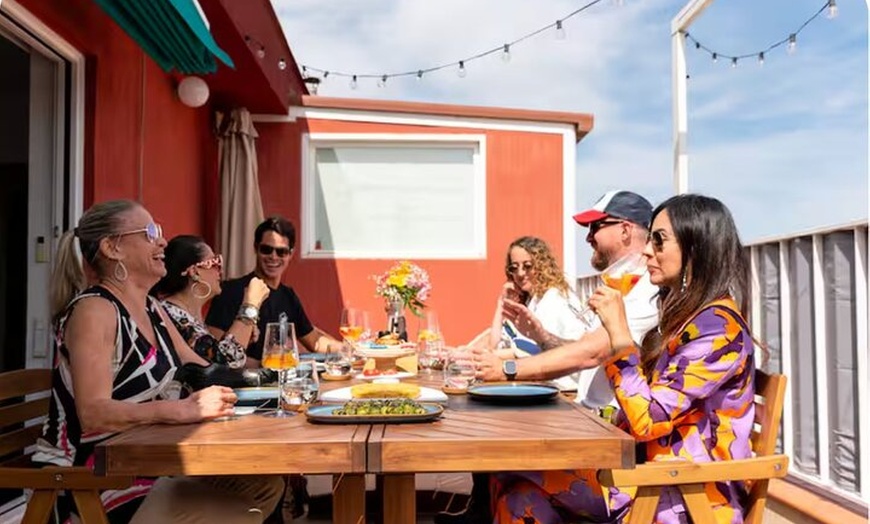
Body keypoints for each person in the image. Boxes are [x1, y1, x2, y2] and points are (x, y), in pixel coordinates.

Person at [491, 194, 757, 524]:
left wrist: (618, 335)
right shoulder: (689, 317)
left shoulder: (717, 328)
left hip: (682, 495)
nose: (647, 251)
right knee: (516, 492)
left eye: (659, 241)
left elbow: (649, 419)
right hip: (649, 475)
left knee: (511, 468)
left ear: (695, 249)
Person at [33, 199, 283, 523]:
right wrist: (178, 409)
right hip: (94, 481)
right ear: (112, 248)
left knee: (265, 485)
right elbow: (93, 413)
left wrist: (282, 386)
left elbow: (205, 372)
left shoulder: (152, 309)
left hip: (148, 465)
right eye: (150, 232)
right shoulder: (94, 310)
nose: (163, 241)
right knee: (240, 513)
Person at [439, 191, 659, 524]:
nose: (588, 238)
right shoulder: (620, 286)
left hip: (616, 452)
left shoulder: (646, 291)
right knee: (513, 491)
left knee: (501, 457)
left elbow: (592, 352)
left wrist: (508, 369)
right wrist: (541, 336)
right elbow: (584, 346)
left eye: (595, 227)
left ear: (625, 230)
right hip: (592, 428)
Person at [206, 216, 341, 367]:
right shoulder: (229, 291)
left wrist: (350, 349)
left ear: (290, 254)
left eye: (281, 252)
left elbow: (315, 341)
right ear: (256, 248)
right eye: (266, 249)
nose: (273, 257)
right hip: (241, 379)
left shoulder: (288, 296)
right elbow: (213, 353)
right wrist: (264, 366)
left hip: (279, 376)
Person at [151, 235, 269, 369]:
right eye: (215, 262)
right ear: (195, 271)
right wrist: (250, 307)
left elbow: (213, 356)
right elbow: (224, 364)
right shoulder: (170, 315)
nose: (220, 270)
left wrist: (243, 333)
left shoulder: (184, 315)